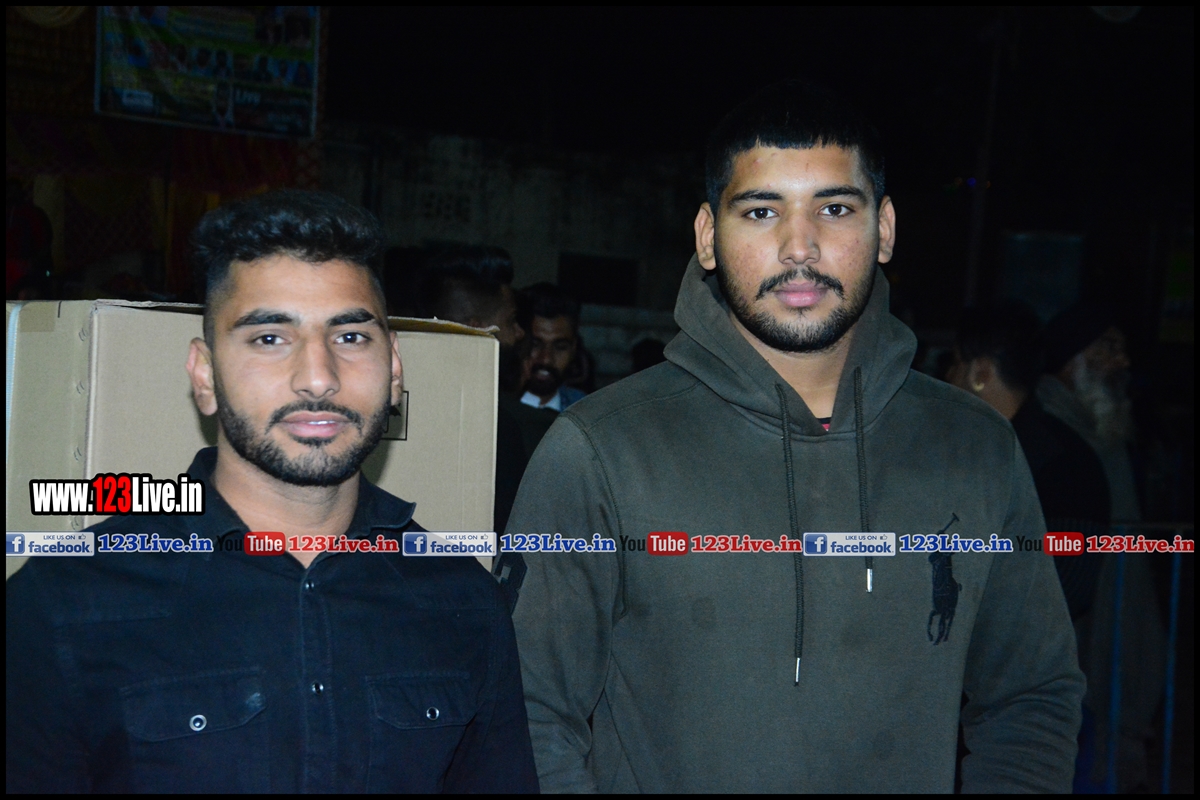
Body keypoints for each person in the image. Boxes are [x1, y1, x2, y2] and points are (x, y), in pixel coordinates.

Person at [508, 82, 1083, 793]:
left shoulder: (975, 448)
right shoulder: (600, 450)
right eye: (761, 211)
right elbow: (530, 715)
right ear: (707, 237)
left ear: (885, 228)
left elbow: (1032, 696)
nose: (799, 247)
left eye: (835, 209)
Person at [6, 190, 538, 793]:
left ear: (394, 369)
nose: (318, 377)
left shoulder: (463, 603)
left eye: (350, 337)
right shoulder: (64, 605)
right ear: (205, 375)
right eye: (269, 338)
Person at [1036, 303, 1165, 792]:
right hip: (1069, 632)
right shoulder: (1048, 432)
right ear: (1073, 360)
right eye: (1109, 348)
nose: (1123, 363)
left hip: (1106, 624)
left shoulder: (1101, 431)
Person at [948, 300, 1108, 618]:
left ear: (981, 372)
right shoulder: (998, 449)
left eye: (954, 364)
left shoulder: (1063, 465)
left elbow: (1065, 585)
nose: (947, 378)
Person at [518, 282, 587, 412]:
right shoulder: (491, 407)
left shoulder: (586, 412)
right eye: (534, 345)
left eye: (560, 347)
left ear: (573, 348)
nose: (546, 359)